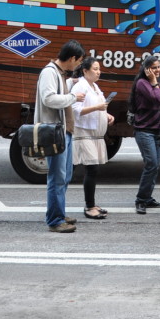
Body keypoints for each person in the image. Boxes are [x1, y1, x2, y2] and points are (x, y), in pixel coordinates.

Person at [37, 40, 86, 233]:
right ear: (72, 58)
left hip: (64, 131)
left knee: (65, 176)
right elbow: (48, 98)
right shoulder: (49, 72)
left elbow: (58, 91)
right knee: (57, 178)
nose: (79, 66)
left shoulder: (59, 74)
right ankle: (55, 220)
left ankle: (60, 212)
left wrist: (69, 85)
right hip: (54, 132)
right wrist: (73, 97)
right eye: (79, 61)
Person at [70, 56, 114, 220]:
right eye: (95, 69)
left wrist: (107, 114)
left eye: (99, 69)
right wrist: (98, 107)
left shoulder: (94, 86)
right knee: (91, 168)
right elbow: (75, 109)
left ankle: (92, 204)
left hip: (95, 134)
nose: (98, 72)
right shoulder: (80, 87)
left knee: (93, 169)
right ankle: (89, 206)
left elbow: (99, 106)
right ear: (85, 70)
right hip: (84, 133)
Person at [129, 55, 160, 215]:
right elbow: (155, 99)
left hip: (157, 130)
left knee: (154, 167)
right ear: (147, 69)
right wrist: (154, 83)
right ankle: (140, 200)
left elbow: (157, 105)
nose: (158, 70)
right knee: (151, 164)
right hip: (144, 131)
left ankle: (147, 198)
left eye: (159, 66)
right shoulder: (143, 83)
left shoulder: (154, 84)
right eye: (154, 67)